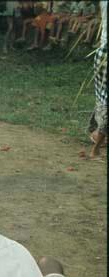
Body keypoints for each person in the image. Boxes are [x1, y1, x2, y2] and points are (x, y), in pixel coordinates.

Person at [88, 0, 107, 159]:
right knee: (105, 101)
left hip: (102, 54)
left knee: (103, 98)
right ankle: (96, 147)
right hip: (105, 56)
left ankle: (96, 132)